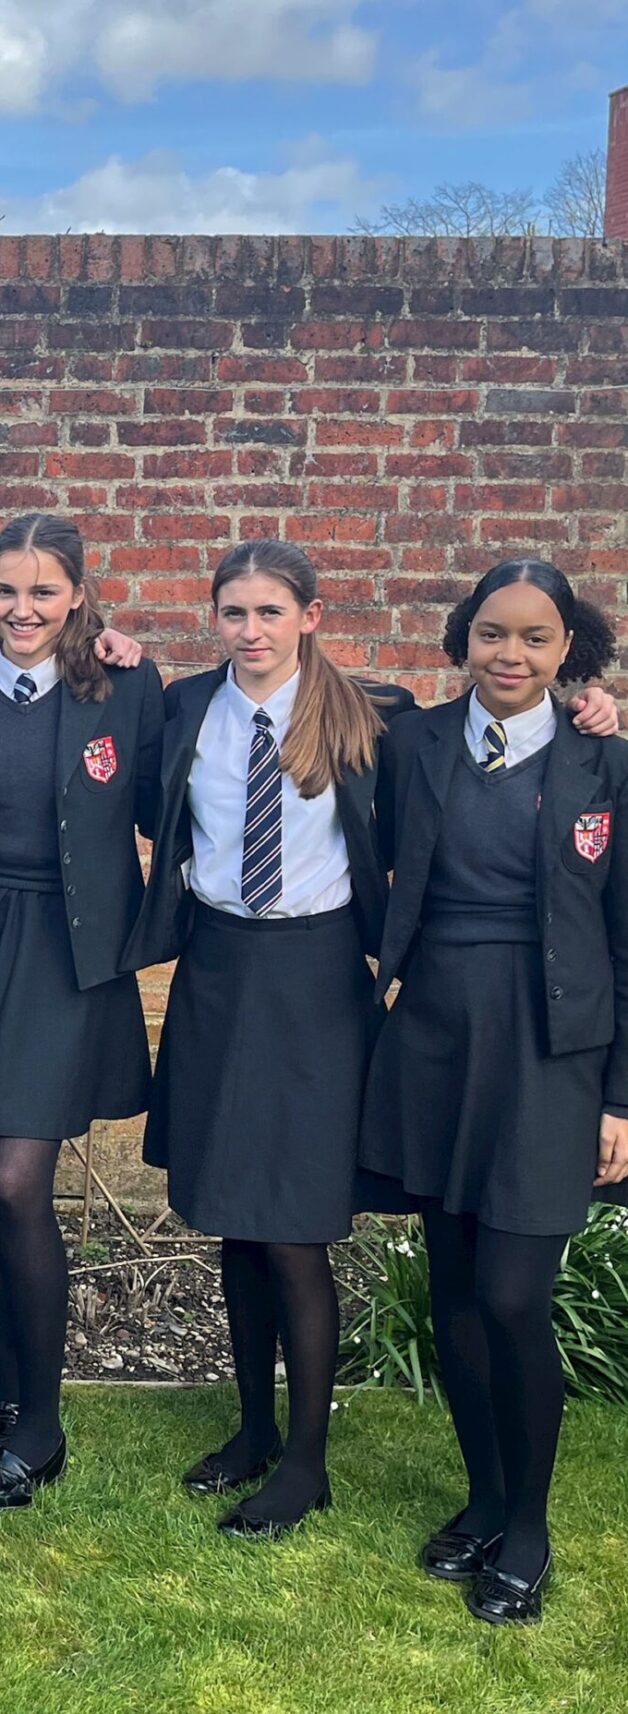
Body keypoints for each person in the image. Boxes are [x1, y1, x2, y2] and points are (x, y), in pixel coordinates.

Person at [360, 558, 628, 1625]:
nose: (509, 655)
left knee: (516, 1293)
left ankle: (530, 1522)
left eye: (535, 637)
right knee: (461, 1289)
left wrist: (622, 1096)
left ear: (571, 652)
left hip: (552, 1052)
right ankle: (480, 1498)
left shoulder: (604, 762)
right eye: (491, 634)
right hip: (435, 1040)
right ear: (460, 639)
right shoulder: (415, 742)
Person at [127, 541, 411, 1539]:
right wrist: (109, 652)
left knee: (291, 1226)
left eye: (269, 612)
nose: (250, 631)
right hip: (216, 968)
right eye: (233, 612)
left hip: (315, 979)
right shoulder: (184, 708)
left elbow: (475, 748)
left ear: (311, 616)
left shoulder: (371, 716)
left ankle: (306, 1462)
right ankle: (251, 1430)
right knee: (233, 1218)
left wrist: (590, 710)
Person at [0, 512, 162, 1510]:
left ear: (79, 595)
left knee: (18, 1180)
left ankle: (44, 1424)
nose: (22, 610)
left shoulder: (126, 685)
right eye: (5, 589)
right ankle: (6, 1386)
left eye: (44, 592)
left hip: (62, 948)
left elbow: (205, 760)